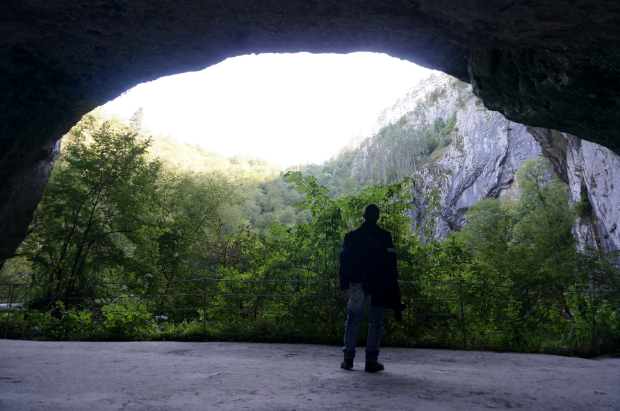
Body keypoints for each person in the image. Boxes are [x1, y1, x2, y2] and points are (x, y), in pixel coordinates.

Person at [338, 203, 403, 372]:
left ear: (363, 216)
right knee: (375, 322)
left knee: (352, 319)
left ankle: (348, 359)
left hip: (356, 283)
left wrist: (343, 284)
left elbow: (343, 261)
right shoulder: (384, 236)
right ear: (378, 218)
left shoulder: (351, 236)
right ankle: (371, 362)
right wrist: (393, 285)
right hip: (378, 284)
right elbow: (391, 262)